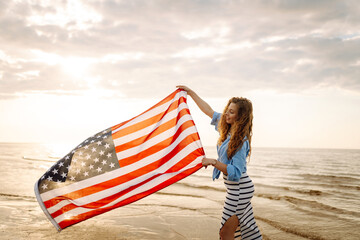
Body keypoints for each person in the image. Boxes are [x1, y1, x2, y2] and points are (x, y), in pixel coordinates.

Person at [176, 85, 262, 240]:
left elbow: (236, 172)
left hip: (239, 190)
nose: (226, 114)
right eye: (227, 110)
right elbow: (209, 111)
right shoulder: (226, 129)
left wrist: (214, 162)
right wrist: (191, 93)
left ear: (240, 117)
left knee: (225, 233)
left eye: (231, 112)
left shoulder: (241, 142)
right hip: (235, 190)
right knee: (246, 231)